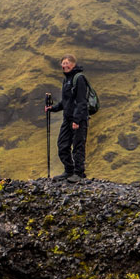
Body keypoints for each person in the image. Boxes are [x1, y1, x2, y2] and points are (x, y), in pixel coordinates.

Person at [45, 54, 89, 183]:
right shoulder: (66, 80)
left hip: (78, 120)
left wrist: (76, 120)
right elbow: (65, 102)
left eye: (67, 63)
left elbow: (81, 102)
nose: (65, 66)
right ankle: (69, 170)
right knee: (62, 145)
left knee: (78, 146)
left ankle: (79, 173)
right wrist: (52, 108)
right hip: (67, 119)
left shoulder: (79, 78)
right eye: (63, 63)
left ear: (73, 64)